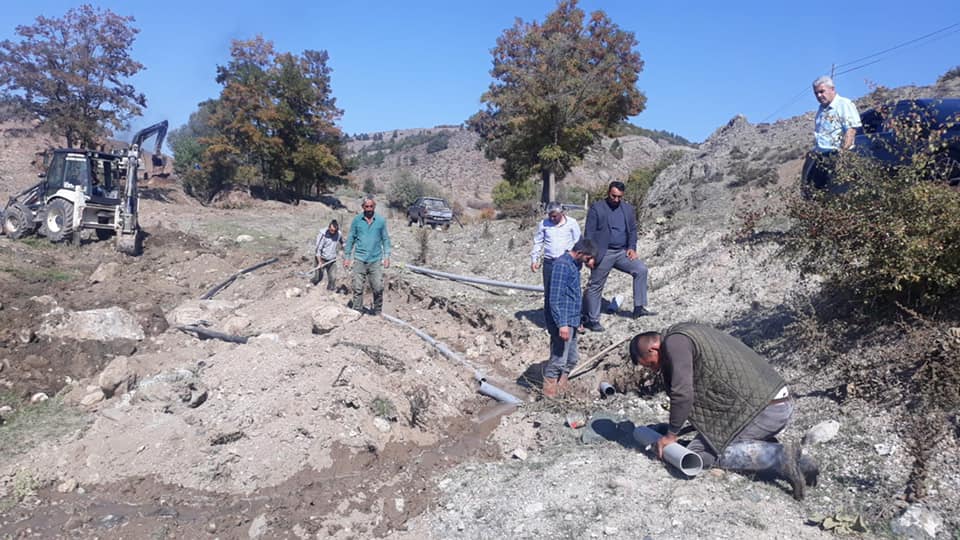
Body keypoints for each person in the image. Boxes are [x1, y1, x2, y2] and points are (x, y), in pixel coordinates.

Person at [629, 323, 818, 500]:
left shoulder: (675, 343)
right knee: (712, 438)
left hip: (764, 409)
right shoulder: (686, 332)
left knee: (699, 452)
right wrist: (674, 428)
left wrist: (671, 435)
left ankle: (778, 457)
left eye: (650, 364)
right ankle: (802, 463)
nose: (654, 369)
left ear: (652, 349)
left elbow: (683, 393)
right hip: (773, 401)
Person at [581, 181, 654, 332]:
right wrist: (590, 255)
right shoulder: (597, 208)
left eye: (619, 197)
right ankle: (592, 319)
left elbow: (633, 230)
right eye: (613, 196)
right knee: (595, 286)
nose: (616, 199)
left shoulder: (627, 209)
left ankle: (639, 308)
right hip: (603, 253)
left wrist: (632, 248)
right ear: (608, 193)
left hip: (622, 252)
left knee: (641, 270)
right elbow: (589, 234)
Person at [541, 238, 598, 397]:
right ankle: (549, 396)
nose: (588, 262)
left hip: (571, 320)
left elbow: (573, 296)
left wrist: (578, 320)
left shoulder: (574, 265)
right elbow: (555, 298)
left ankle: (561, 388)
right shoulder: (562, 265)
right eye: (587, 258)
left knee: (571, 358)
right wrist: (562, 324)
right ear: (579, 253)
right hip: (563, 321)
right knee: (559, 359)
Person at [804, 75, 862, 196]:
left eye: (821, 91)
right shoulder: (821, 110)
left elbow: (850, 131)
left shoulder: (844, 104)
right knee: (816, 194)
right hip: (821, 157)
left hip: (836, 156)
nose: (819, 96)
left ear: (832, 89)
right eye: (816, 93)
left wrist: (843, 155)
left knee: (837, 193)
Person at [530, 202, 581, 329]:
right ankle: (551, 324)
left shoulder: (572, 223)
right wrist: (534, 259)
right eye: (550, 216)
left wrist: (579, 261)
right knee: (550, 294)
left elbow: (578, 242)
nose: (552, 219)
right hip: (550, 263)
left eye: (555, 216)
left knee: (570, 292)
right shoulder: (544, 224)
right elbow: (538, 242)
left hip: (567, 263)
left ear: (562, 213)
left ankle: (574, 322)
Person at [343, 195, 391, 315]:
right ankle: (357, 311)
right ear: (363, 207)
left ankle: (377, 311)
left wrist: (387, 256)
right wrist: (347, 257)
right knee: (357, 287)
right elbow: (351, 239)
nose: (369, 209)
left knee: (378, 287)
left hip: (375, 259)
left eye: (371, 206)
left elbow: (385, 239)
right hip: (359, 259)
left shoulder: (380, 221)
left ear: (374, 206)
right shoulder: (357, 220)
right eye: (366, 206)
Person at [312, 220, 343, 291]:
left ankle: (329, 293)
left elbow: (342, 241)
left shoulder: (338, 233)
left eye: (334, 231)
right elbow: (318, 250)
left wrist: (344, 246)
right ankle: (311, 286)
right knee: (318, 278)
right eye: (331, 230)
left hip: (332, 259)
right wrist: (319, 262)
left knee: (333, 278)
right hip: (321, 258)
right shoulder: (322, 235)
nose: (333, 232)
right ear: (328, 228)